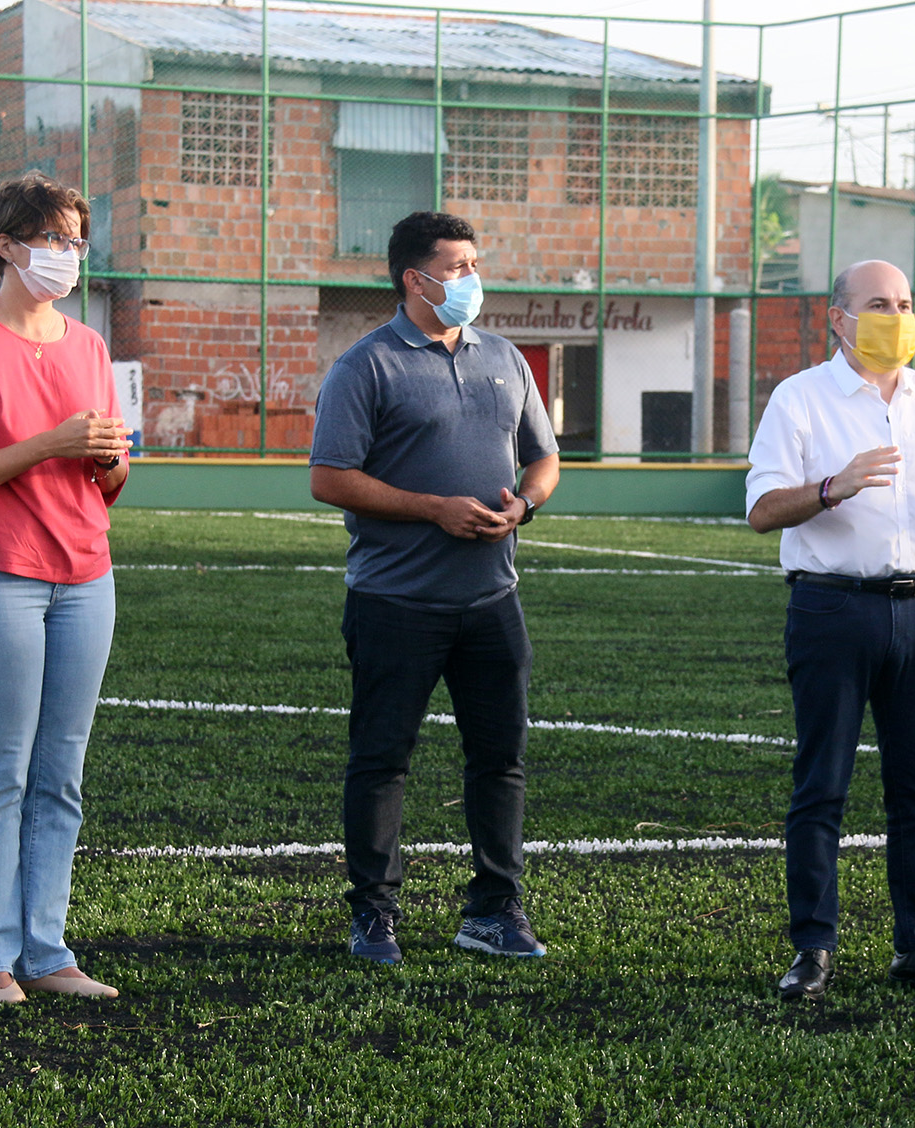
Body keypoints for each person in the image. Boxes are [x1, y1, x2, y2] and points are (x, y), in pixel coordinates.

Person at [746, 259, 915, 1000]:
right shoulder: (800, 399)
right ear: (838, 319)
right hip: (831, 609)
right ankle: (813, 949)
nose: (897, 315)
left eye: (905, 303)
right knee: (821, 784)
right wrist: (835, 486)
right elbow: (762, 510)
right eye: (879, 304)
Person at [309, 211, 560, 965]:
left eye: (474, 264)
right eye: (456, 267)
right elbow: (330, 478)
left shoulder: (505, 357)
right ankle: (373, 914)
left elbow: (544, 460)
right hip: (395, 602)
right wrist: (432, 509)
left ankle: (493, 909)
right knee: (381, 758)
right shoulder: (366, 366)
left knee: (500, 757)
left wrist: (524, 504)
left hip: (492, 600)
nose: (470, 280)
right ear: (414, 279)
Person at [0, 171, 132, 1004]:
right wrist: (49, 443)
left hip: (85, 576)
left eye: (78, 240)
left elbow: (110, 484)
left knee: (61, 773)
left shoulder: (90, 347)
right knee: (1, 768)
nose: (69, 255)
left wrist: (106, 461)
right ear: (7, 246)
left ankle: (48, 951)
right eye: (54, 239)